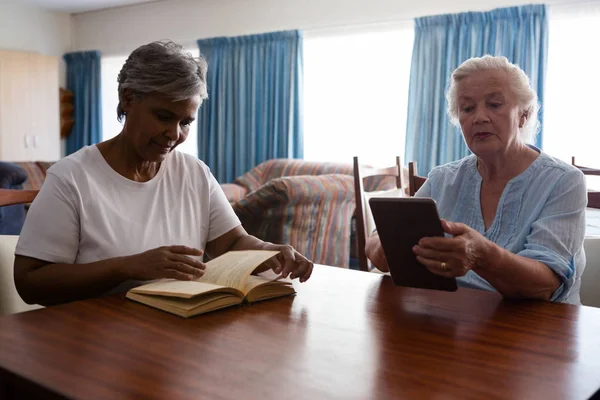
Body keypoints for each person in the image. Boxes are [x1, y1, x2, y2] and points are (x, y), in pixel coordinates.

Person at [14, 41, 313, 306]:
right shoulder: (71, 178)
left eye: (186, 122)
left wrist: (267, 250)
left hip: (177, 329)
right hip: (95, 338)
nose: (174, 134)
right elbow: (30, 283)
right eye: (163, 116)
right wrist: (126, 267)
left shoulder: (194, 173)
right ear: (128, 99)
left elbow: (232, 243)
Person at [366, 55, 586, 304]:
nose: (479, 117)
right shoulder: (442, 179)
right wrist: (383, 249)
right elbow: (375, 240)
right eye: (467, 108)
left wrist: (481, 255)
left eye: (494, 104)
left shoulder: (564, 181)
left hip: (538, 327)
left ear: (523, 115)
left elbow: (545, 285)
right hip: (454, 321)